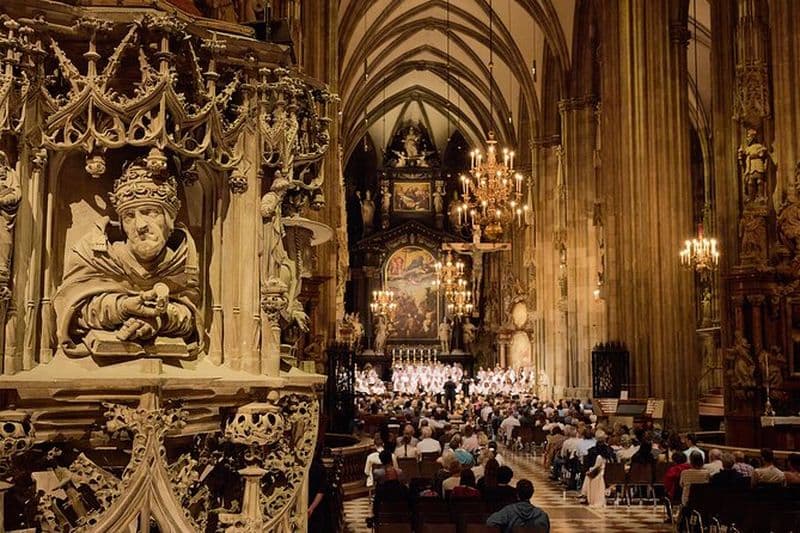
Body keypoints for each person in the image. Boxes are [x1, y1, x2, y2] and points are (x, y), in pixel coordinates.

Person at [54, 155, 202, 355]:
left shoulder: (183, 260)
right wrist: (121, 308)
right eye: (129, 216)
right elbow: (71, 311)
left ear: (170, 219)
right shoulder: (95, 255)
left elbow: (194, 318)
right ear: (121, 223)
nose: (140, 225)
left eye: (150, 212)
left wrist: (161, 319)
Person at [486, 479, 550, 533]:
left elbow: (490, 522)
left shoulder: (508, 511)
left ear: (517, 494)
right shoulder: (542, 515)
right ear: (531, 493)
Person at [580, 429, 612, 508]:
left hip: (597, 474)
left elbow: (587, 466)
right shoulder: (610, 451)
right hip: (610, 474)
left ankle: (587, 495)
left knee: (588, 475)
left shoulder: (591, 451)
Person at [307, 452, 328, 532]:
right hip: (315, 507)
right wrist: (311, 508)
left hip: (313, 508)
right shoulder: (319, 467)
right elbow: (321, 491)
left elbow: (321, 490)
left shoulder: (317, 468)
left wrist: (311, 508)